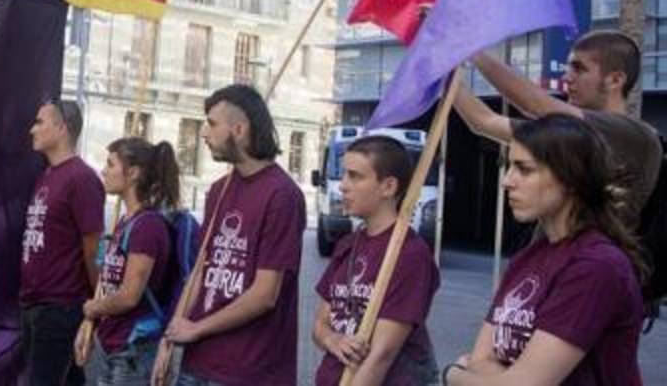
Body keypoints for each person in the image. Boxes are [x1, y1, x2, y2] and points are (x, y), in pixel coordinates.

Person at [443, 115, 645, 385]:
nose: (507, 182)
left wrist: (453, 374)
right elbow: (482, 357)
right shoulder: (529, 257)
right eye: (508, 166)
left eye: (524, 169)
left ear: (570, 178)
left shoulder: (596, 265)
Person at [153, 84, 306, 386]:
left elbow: (265, 295)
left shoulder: (282, 195)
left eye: (211, 124)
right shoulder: (218, 191)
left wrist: (197, 329)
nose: (204, 134)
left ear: (239, 129)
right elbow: (200, 272)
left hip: (249, 371)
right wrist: (169, 339)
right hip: (197, 364)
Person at [455, 30, 662, 224]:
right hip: (551, 256)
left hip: (591, 261)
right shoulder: (567, 133)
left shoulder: (635, 135)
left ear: (615, 80)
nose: (567, 77)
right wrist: (440, 71)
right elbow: (483, 121)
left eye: (579, 69)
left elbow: (534, 104)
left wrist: (468, 46)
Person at [311, 136, 440, 386]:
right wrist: (333, 340)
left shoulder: (409, 255)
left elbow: (381, 356)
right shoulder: (347, 245)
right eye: (345, 175)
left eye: (355, 176)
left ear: (388, 187)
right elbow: (320, 324)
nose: (343, 186)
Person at [73, 137, 178, 385]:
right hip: (112, 346)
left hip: (133, 352)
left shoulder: (147, 226)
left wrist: (91, 308)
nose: (104, 171)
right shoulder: (124, 222)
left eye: (110, 164)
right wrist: (89, 322)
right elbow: (109, 284)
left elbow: (130, 295)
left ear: (132, 173)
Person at [19, 99, 103, 386]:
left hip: (60, 306)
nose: (33, 129)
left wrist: (95, 304)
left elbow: (92, 249)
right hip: (35, 304)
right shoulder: (46, 176)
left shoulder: (82, 179)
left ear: (61, 128)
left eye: (40, 122)